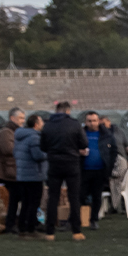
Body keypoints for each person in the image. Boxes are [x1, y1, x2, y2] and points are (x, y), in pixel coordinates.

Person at [39, 102, 88, 241]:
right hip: (72, 163)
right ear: (68, 111)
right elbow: (84, 143)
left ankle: (50, 232)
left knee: (53, 197)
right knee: (74, 197)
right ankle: (76, 231)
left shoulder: (47, 125)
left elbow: (43, 146)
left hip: (54, 164)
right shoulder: (74, 124)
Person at [80, 111, 120, 230]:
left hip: (100, 171)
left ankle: (93, 220)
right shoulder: (81, 134)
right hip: (83, 170)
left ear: (98, 121)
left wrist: (109, 167)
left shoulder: (106, 135)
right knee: (80, 196)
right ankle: (78, 219)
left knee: (97, 196)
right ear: (85, 122)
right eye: (89, 121)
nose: (92, 123)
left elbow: (114, 152)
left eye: (94, 120)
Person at [11, 114, 47, 238]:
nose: (43, 124)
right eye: (41, 121)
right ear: (36, 124)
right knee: (34, 203)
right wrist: (48, 153)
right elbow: (38, 156)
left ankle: (22, 228)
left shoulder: (20, 137)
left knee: (25, 202)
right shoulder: (34, 137)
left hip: (22, 174)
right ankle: (31, 229)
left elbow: (15, 152)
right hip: (34, 175)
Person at [0, 108, 23, 232]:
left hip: (12, 170)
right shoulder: (6, 132)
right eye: (20, 118)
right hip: (8, 172)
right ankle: (11, 224)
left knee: (16, 198)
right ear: (12, 118)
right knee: (15, 198)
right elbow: (8, 150)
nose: (22, 121)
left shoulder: (13, 132)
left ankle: (14, 222)